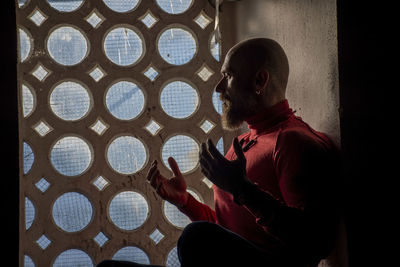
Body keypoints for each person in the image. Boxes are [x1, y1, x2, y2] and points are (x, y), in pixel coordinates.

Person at [98, 38, 341, 267]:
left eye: (228, 76)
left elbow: (315, 244)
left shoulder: (292, 142)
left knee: (197, 237)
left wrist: (242, 189)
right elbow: (229, 233)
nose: (218, 87)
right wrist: (185, 202)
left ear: (260, 81)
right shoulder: (245, 140)